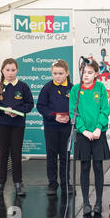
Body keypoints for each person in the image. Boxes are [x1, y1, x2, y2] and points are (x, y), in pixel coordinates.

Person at [0, 58, 34, 197]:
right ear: (2, 71)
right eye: (7, 70)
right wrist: (3, 111)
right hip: (2, 124)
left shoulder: (23, 87)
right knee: (2, 154)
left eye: (13, 70)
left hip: (17, 125)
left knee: (16, 153)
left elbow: (29, 104)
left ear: (17, 71)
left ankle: (18, 183)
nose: (10, 73)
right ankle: (0, 184)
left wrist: (17, 111)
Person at [69, 59, 110, 216]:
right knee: (84, 167)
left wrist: (99, 128)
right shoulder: (75, 90)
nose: (85, 75)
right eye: (84, 72)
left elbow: (104, 110)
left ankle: (98, 202)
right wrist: (83, 130)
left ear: (96, 74)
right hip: (83, 134)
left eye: (89, 72)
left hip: (98, 134)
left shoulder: (100, 87)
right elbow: (74, 111)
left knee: (98, 167)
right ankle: (86, 202)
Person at [37, 60, 73, 196]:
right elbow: (40, 106)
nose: (58, 76)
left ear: (67, 73)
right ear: (51, 73)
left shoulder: (72, 88)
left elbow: (77, 106)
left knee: (65, 156)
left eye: (61, 73)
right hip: (51, 127)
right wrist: (53, 116)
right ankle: (52, 184)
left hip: (67, 127)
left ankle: (65, 183)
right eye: (55, 73)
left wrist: (70, 116)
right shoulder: (47, 88)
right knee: (52, 156)